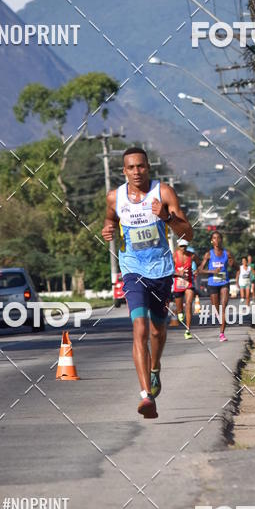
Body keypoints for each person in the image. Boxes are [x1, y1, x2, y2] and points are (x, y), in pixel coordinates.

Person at [102, 147, 192, 419]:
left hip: (162, 271)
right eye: (131, 168)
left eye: (141, 166)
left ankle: (155, 369)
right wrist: (107, 229)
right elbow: (109, 220)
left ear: (148, 168)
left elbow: (188, 232)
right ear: (124, 171)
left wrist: (166, 217)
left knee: (157, 331)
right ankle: (146, 396)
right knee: (139, 328)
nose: (136, 172)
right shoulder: (114, 197)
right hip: (132, 271)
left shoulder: (162, 193)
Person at [198, 231, 238, 342]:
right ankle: (218, 316)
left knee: (223, 308)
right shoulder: (209, 254)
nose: (216, 240)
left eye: (218, 238)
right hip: (212, 283)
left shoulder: (227, 253)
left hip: (224, 282)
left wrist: (233, 264)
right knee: (217, 309)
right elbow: (200, 270)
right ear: (212, 241)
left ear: (221, 240)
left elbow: (236, 266)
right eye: (214, 238)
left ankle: (222, 333)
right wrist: (213, 271)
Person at [172, 238, 195, 340]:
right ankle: (180, 313)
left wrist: (197, 270)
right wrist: (178, 273)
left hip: (189, 284)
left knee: (189, 304)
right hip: (178, 286)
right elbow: (169, 271)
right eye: (181, 246)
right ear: (178, 246)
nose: (183, 248)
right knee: (180, 310)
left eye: (185, 246)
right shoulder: (174, 256)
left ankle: (188, 330)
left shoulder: (191, 255)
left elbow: (200, 264)